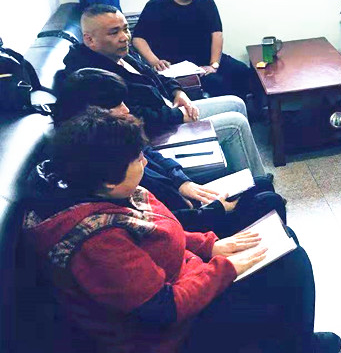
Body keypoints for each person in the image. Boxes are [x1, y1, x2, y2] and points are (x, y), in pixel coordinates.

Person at [24, 109, 341, 353]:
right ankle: (298, 345)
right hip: (167, 335)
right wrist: (225, 268)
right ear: (108, 179)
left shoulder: (109, 190)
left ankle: (292, 341)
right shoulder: (95, 243)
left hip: (187, 279)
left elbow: (159, 231)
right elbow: (162, 310)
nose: (145, 163)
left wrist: (209, 246)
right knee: (291, 266)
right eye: (138, 158)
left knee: (284, 245)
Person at [50, 67, 282, 237]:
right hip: (186, 223)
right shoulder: (102, 159)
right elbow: (155, 221)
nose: (126, 109)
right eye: (116, 105)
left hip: (184, 204)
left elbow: (151, 153)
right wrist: (215, 210)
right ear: (90, 111)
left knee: (260, 184)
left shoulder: (110, 135)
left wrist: (181, 181)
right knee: (267, 200)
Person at [63, 4, 265, 179]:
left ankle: (240, 172)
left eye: (125, 29)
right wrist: (178, 115)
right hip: (156, 133)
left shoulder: (120, 54)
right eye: (114, 32)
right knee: (235, 124)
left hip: (168, 109)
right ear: (89, 39)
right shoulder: (91, 77)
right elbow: (132, 117)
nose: (124, 37)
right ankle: (256, 183)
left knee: (236, 103)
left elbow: (157, 76)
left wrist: (178, 92)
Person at [132, 0, 252, 103]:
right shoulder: (155, 6)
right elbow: (138, 39)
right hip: (176, 66)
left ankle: (247, 111)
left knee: (242, 71)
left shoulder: (206, 1)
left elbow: (217, 34)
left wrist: (214, 65)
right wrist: (155, 61)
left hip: (207, 59)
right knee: (217, 83)